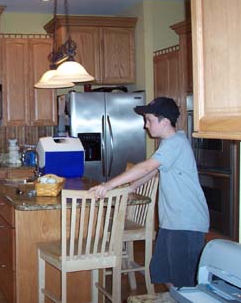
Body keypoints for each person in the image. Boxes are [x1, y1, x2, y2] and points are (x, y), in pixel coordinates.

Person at [89, 97, 209, 289]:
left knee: (185, 282)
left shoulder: (175, 143)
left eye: (149, 120)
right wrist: (132, 187)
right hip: (172, 221)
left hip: (187, 223)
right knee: (165, 272)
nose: (145, 125)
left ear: (165, 121)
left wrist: (109, 185)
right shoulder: (168, 142)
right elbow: (154, 171)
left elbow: (147, 167)